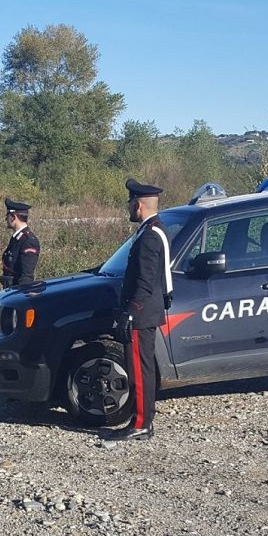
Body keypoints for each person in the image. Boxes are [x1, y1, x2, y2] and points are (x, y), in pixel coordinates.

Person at [109, 178, 172, 441]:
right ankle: (143, 420)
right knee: (142, 367)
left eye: (129, 204)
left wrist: (130, 312)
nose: (128, 208)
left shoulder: (149, 236)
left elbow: (146, 281)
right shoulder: (155, 230)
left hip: (142, 313)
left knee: (139, 369)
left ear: (138, 204)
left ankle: (141, 423)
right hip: (147, 310)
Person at [0, 198, 41, 288]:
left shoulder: (28, 241)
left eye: (8, 216)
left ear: (13, 217)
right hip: (9, 290)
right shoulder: (17, 238)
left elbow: (26, 276)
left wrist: (20, 298)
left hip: (16, 293)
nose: (6, 218)